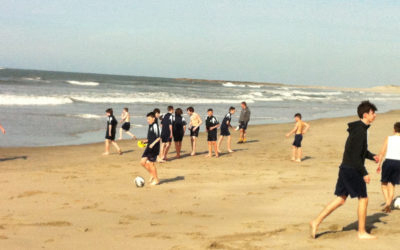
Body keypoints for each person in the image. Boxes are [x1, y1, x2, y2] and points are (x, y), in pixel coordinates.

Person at [310, 101, 379, 240]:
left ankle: (315, 221)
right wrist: (364, 172)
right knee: (363, 199)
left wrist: (372, 156)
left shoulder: (359, 128)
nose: (375, 115)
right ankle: (361, 232)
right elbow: (355, 156)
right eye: (372, 113)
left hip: (345, 168)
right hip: (352, 169)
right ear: (365, 115)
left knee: (341, 199)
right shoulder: (360, 131)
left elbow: (360, 151)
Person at [376, 122, 400, 213]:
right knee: (392, 184)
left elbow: (382, 152)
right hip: (399, 163)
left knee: (384, 183)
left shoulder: (389, 138)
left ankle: (387, 203)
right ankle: (388, 203)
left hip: (389, 162)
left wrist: (379, 165)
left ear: (394, 129)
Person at [140, 112, 161, 185]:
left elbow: (159, 137)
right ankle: (152, 174)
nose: (147, 120)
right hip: (149, 146)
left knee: (151, 164)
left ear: (153, 119)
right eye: (147, 119)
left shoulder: (156, 126)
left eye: (149, 119)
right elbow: (150, 138)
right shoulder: (150, 126)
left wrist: (153, 144)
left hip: (154, 147)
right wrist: (145, 141)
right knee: (142, 162)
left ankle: (156, 180)